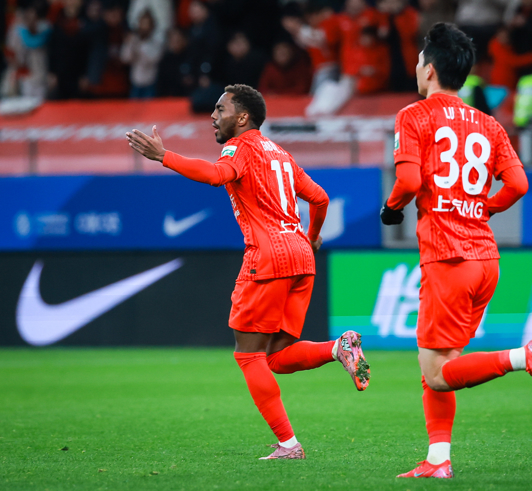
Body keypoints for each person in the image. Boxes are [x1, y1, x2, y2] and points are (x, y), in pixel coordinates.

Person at [125, 84, 370, 460]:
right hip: (301, 257)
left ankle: (289, 445)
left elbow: (215, 175)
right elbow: (320, 197)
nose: (213, 116)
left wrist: (164, 156)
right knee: (276, 356)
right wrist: (312, 237)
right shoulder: (280, 153)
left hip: (268, 256)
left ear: (242, 118)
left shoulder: (238, 147)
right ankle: (340, 347)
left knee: (248, 356)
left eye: (220, 109)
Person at [381, 23, 532, 479]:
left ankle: (523, 357)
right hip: (484, 258)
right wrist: (483, 207)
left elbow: (408, 181)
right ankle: (437, 461)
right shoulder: (488, 123)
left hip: (448, 258)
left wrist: (391, 208)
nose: (416, 67)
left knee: (437, 372)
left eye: (419, 60)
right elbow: (518, 184)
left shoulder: (414, 116)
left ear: (430, 69)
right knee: (439, 366)